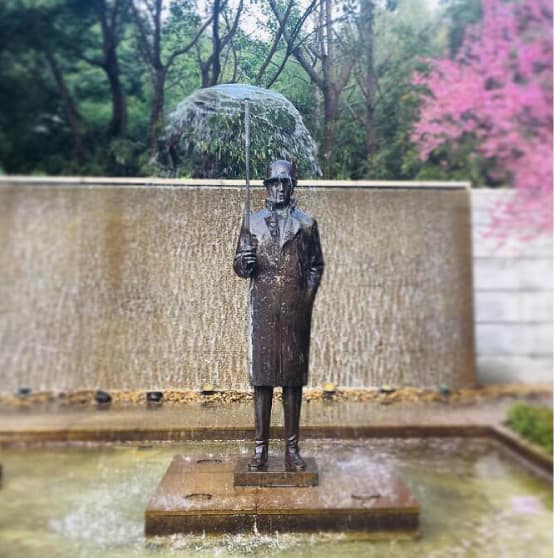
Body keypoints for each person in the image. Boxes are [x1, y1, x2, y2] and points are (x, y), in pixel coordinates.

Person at [233, 160, 324, 471]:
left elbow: (316, 266)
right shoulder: (251, 222)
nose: (280, 188)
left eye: (285, 183)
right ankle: (260, 449)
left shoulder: (307, 224)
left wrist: (305, 299)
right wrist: (244, 262)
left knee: (292, 381)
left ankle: (292, 449)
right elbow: (239, 266)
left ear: (292, 186)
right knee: (262, 380)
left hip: (295, 310)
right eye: (274, 183)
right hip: (263, 308)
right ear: (267, 186)